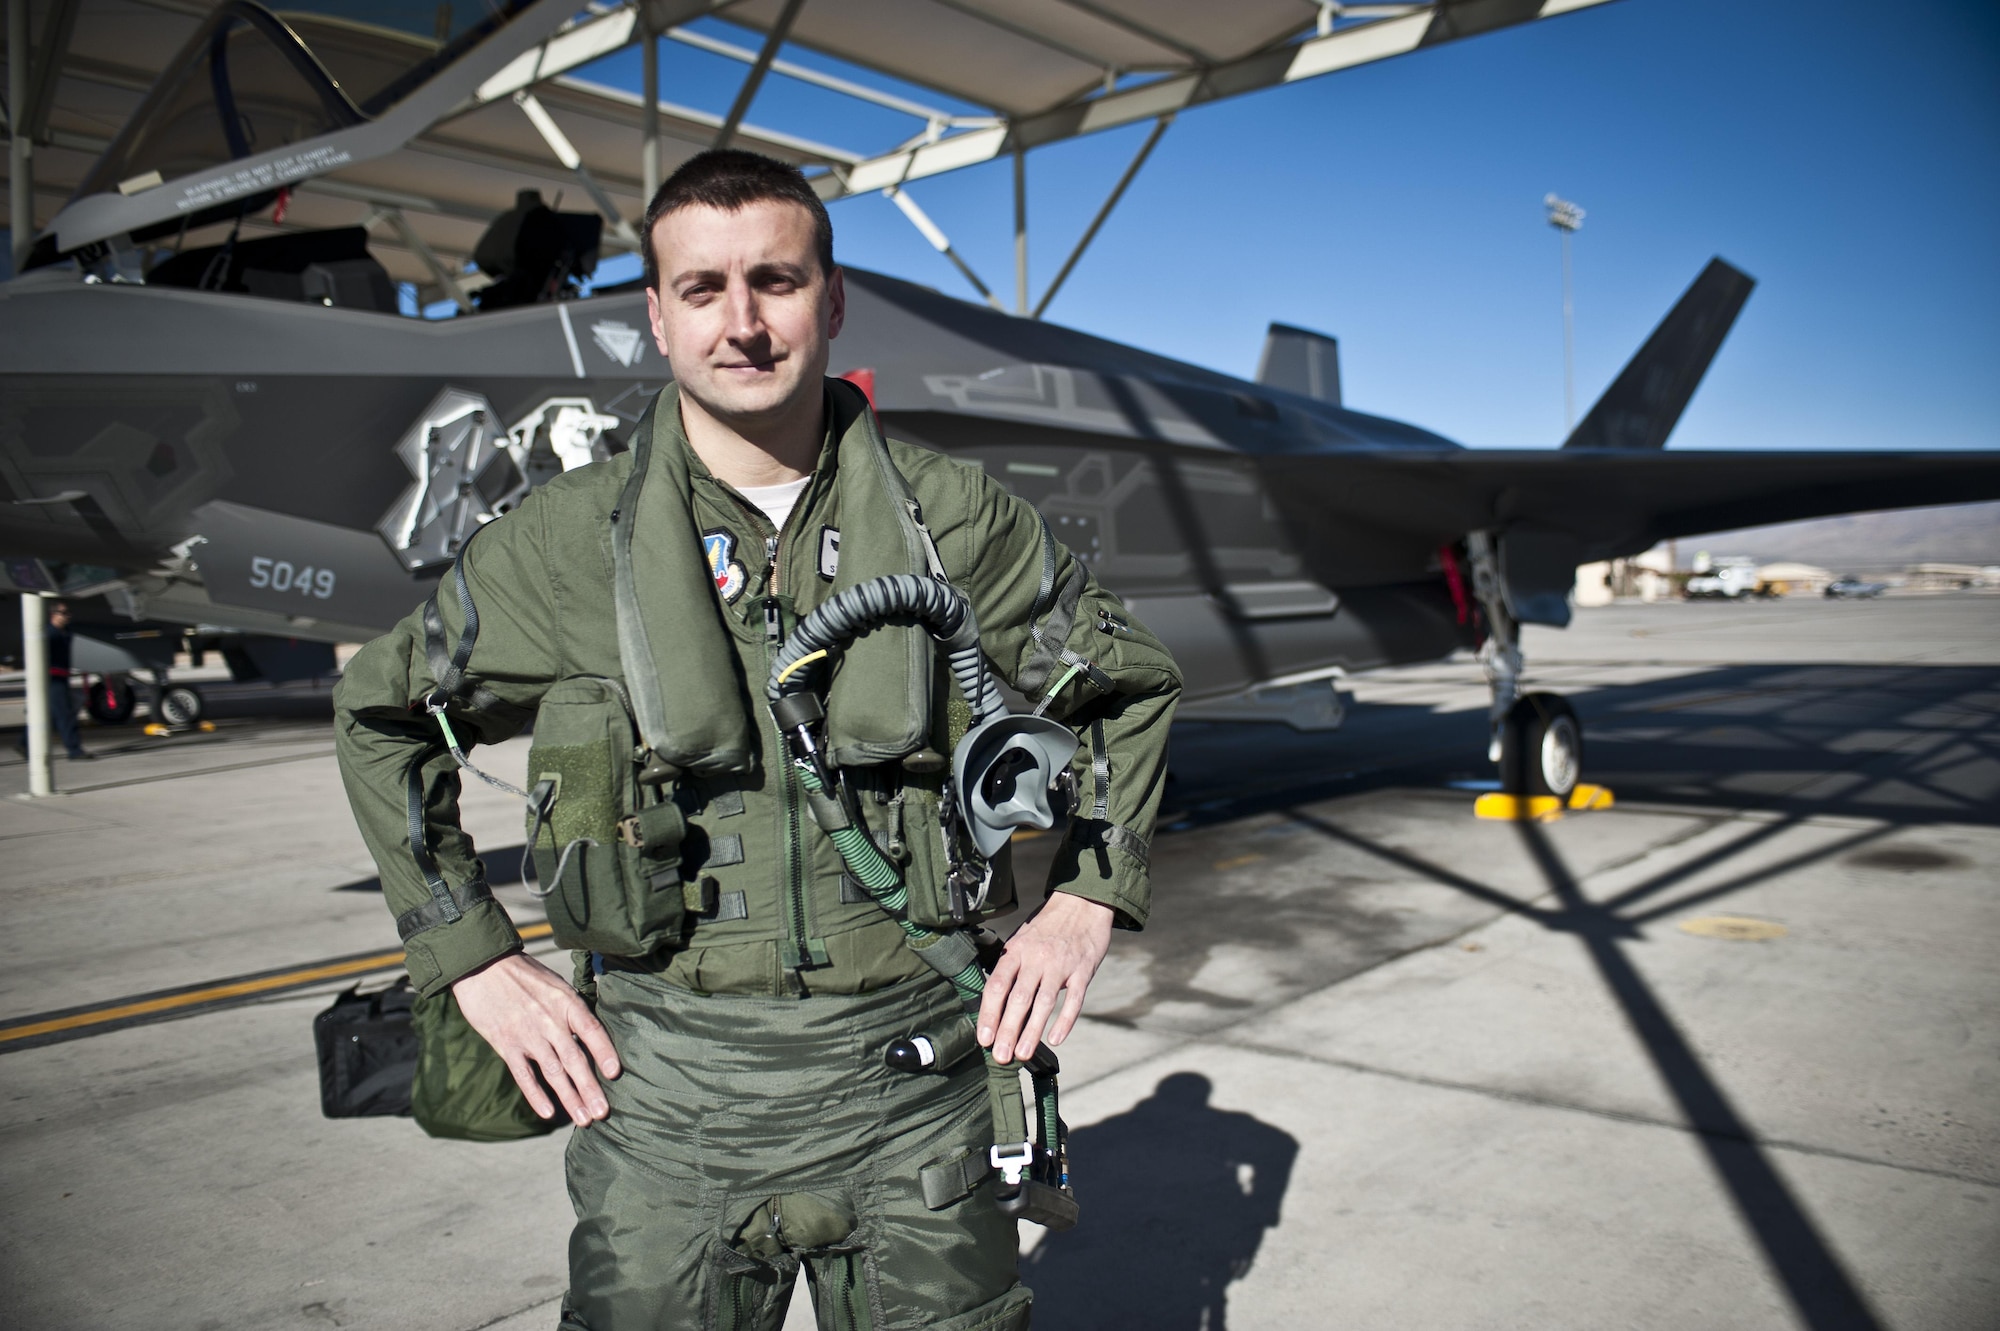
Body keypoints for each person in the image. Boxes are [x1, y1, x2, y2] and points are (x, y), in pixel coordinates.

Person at [333, 149, 1180, 1330]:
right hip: (668, 1107)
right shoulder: (562, 545)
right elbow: (381, 716)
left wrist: (1087, 896)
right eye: (701, 288)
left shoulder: (955, 520)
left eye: (774, 281)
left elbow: (1127, 681)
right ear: (656, 316)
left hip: (915, 1091)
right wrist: (470, 953)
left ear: (829, 301)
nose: (740, 323)